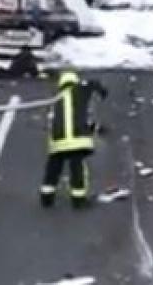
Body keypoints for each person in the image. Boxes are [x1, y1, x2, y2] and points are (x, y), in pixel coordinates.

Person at [40, 70, 108, 209]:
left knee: (53, 169)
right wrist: (102, 91)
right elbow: (93, 83)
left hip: (58, 141)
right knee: (77, 169)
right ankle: (78, 200)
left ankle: (46, 197)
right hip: (77, 140)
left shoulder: (56, 98)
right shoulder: (80, 90)